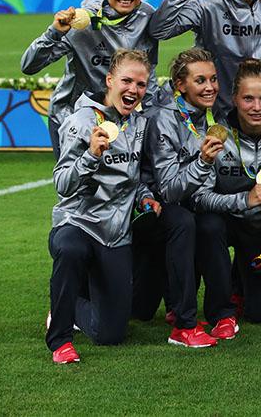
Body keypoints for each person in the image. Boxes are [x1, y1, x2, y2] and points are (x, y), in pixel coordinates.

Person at [47, 50, 159, 363]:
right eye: (126, 81)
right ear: (109, 81)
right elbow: (63, 184)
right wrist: (91, 156)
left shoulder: (138, 123)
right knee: (70, 249)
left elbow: (134, 177)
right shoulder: (81, 121)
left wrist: (145, 196)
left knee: (111, 334)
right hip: (78, 223)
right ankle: (60, 337)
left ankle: (71, 303)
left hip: (115, 234)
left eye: (140, 84)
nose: (133, 90)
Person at [188, 59, 261, 324]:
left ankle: (243, 282)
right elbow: (199, 198)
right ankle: (221, 309)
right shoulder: (216, 136)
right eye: (248, 98)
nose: (257, 107)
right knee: (208, 226)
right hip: (225, 224)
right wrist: (245, 200)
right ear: (234, 99)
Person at [21, 0, 158, 155]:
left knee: (121, 184)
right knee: (75, 184)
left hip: (121, 117)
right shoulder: (82, 21)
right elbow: (29, 66)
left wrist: (153, 117)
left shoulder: (147, 18)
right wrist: (54, 32)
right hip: (73, 115)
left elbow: (149, 73)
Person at [135, 48, 223, 349]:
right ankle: (184, 326)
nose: (210, 87)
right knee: (140, 310)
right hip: (153, 212)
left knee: (212, 224)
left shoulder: (213, 115)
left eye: (213, 79)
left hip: (187, 210)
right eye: (200, 80)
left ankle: (220, 312)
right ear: (180, 85)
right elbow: (169, 189)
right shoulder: (164, 120)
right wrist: (203, 163)